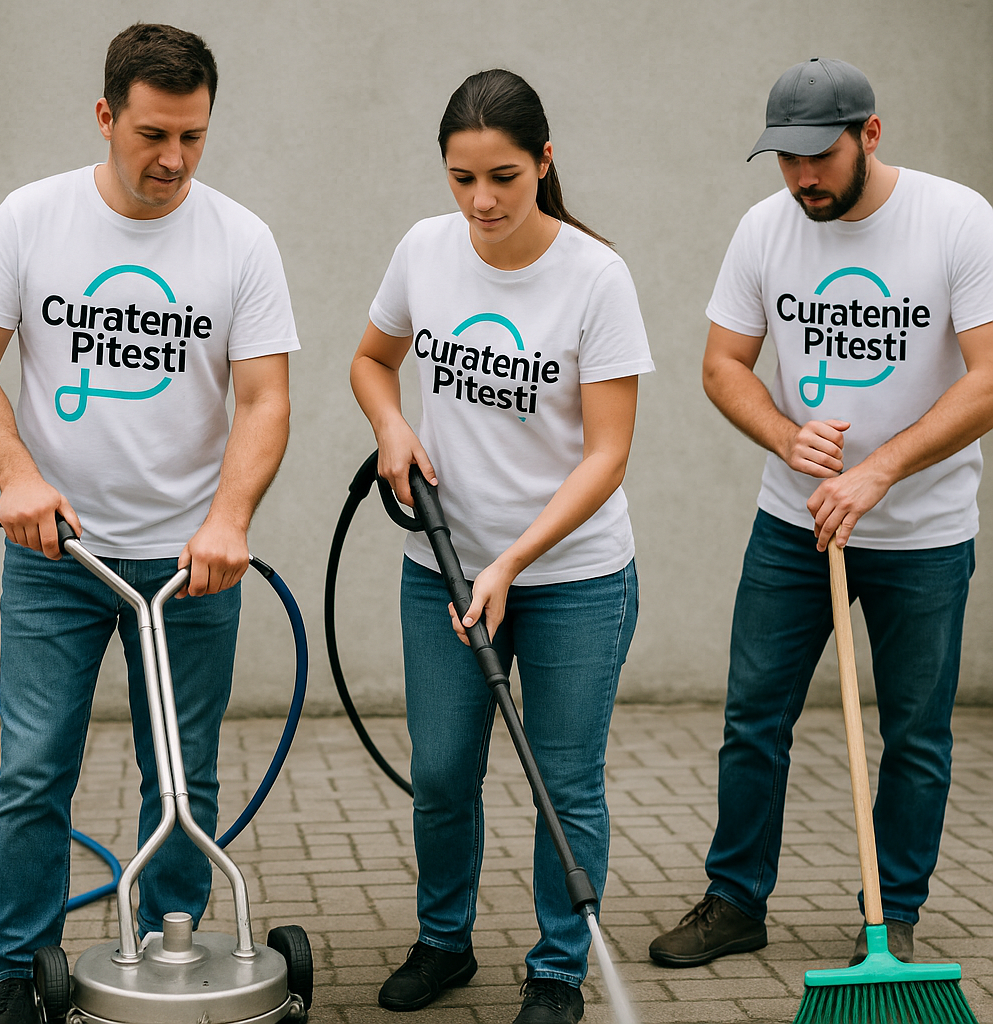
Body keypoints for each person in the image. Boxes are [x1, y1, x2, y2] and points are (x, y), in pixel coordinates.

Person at [0, 23, 298, 1024]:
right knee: (34, 769)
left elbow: (266, 398)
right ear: (106, 116)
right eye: (153, 134)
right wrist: (17, 475)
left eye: (193, 136)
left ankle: (171, 948)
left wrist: (229, 518)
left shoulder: (240, 240)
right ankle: (17, 976)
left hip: (192, 563)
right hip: (57, 553)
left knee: (182, 773)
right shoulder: (32, 219)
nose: (174, 160)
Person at [648, 57, 993, 970]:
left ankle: (895, 913)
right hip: (795, 525)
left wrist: (877, 471)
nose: (802, 177)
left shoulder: (957, 220)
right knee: (754, 716)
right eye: (786, 158)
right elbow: (723, 365)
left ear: (869, 135)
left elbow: (991, 376)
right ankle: (735, 901)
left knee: (915, 735)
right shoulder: (765, 229)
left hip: (924, 533)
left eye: (819, 156)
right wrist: (784, 436)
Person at [350, 69, 652, 1024]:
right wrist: (391, 426)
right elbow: (371, 359)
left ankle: (559, 970)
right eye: (462, 178)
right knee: (442, 773)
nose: (481, 201)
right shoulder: (424, 250)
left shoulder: (596, 277)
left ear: (544, 162)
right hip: (443, 569)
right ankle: (444, 941)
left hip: (572, 577)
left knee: (564, 782)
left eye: (504, 178)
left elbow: (607, 454)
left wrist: (514, 561)